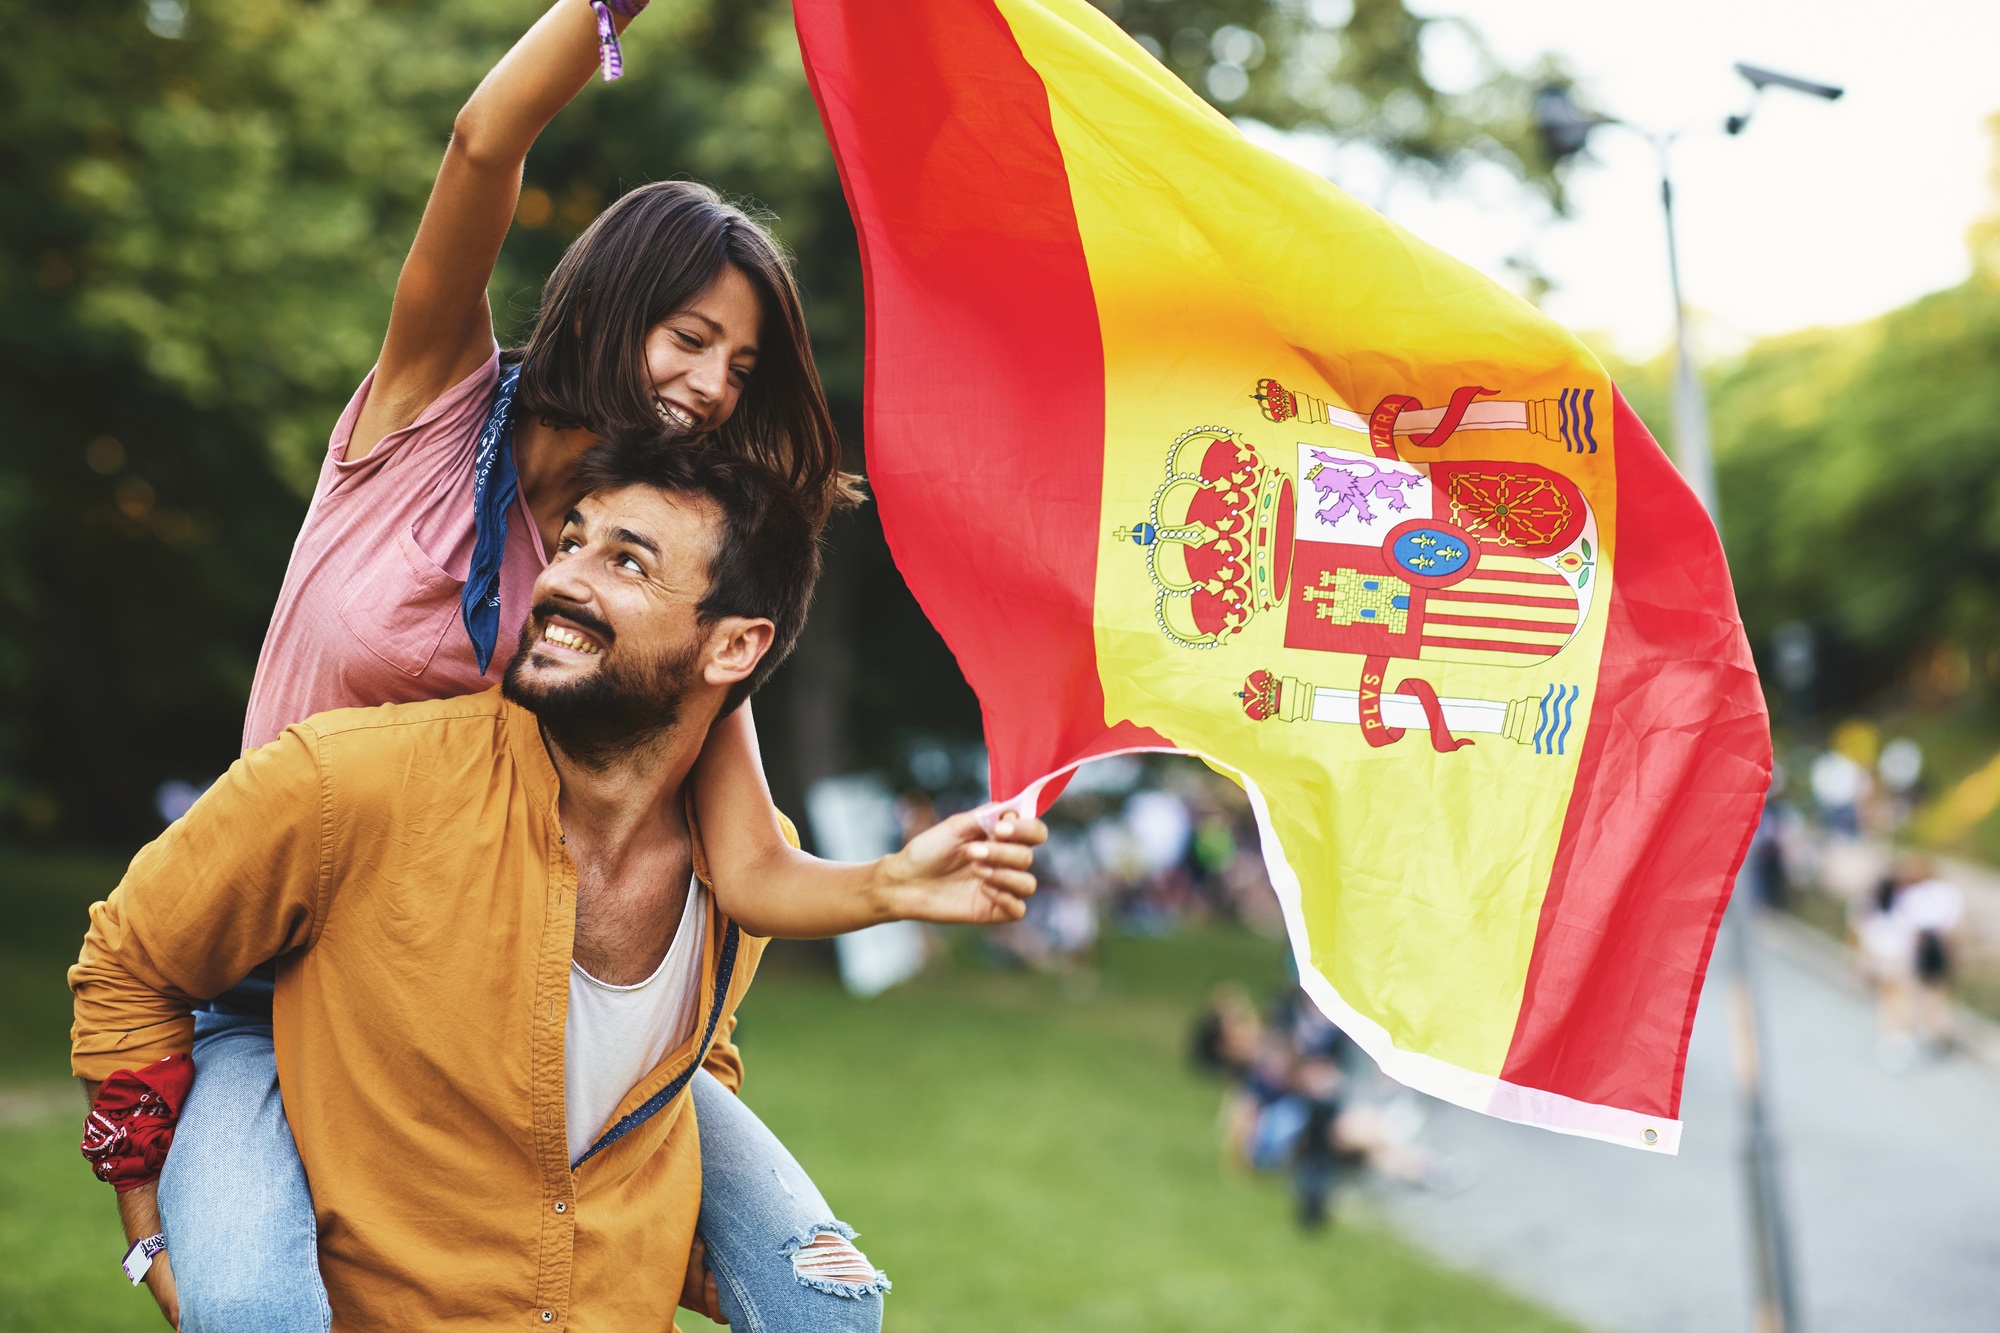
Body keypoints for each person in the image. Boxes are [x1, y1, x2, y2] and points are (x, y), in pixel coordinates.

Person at [97, 2, 929, 1327]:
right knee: (253, 1306)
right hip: (269, 980)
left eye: (745, 364)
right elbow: (486, 141)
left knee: (825, 1296)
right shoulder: (430, 407)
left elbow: (744, 851)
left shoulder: (642, 570)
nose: (716, 386)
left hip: (481, 1002)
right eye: (691, 338)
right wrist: (604, 12)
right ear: (614, 307)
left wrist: (895, 883)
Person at [72, 444, 1048, 1329]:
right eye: (571, 541)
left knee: (832, 1306)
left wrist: (672, 1234)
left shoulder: (748, 872)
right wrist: (144, 1205)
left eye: (625, 561)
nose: (563, 578)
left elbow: (689, 1056)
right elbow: (129, 957)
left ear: (733, 647)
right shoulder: (342, 784)